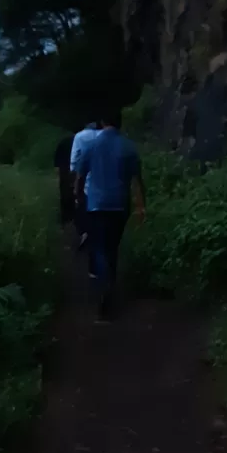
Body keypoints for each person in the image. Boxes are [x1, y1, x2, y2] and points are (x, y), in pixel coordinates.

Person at [75, 108, 145, 320]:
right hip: (120, 205)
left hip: (96, 203)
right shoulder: (128, 147)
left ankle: (104, 287)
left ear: (102, 122)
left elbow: (80, 176)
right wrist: (141, 206)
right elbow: (137, 181)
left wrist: (78, 197)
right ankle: (110, 283)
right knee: (112, 246)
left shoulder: (91, 145)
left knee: (98, 247)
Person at [69, 120, 100, 250]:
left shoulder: (79, 136)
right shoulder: (102, 135)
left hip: (85, 178)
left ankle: (85, 232)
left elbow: (74, 160)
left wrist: (73, 174)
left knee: (82, 203)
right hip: (102, 179)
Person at [53, 131, 76, 226]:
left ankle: (65, 219)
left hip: (64, 170)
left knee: (65, 193)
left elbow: (57, 160)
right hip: (76, 169)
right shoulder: (83, 141)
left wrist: (58, 170)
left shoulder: (64, 141)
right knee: (77, 192)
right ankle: (76, 217)